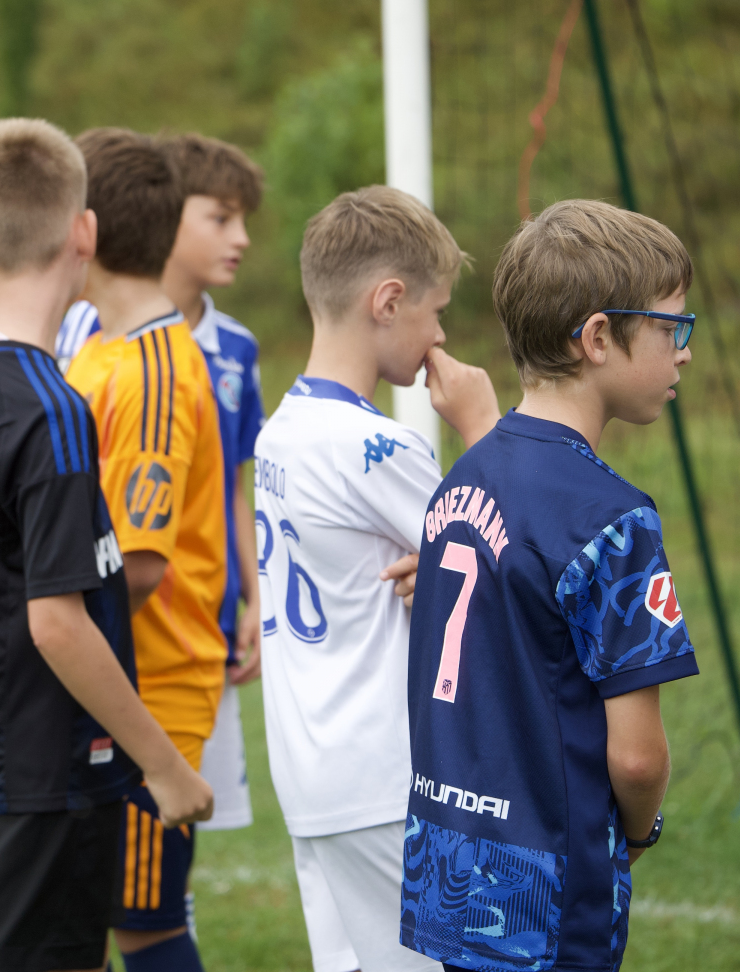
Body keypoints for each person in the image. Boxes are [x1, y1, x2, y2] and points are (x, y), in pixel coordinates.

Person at [0, 118, 210, 972]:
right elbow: (57, 621)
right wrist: (162, 766)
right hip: (49, 760)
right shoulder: (51, 411)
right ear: (84, 233)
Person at [401, 199, 700, 971]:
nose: (684, 353)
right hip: (545, 887)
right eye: (673, 329)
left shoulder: (461, 481)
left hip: (445, 858)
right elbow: (638, 760)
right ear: (598, 337)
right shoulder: (613, 519)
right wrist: (639, 832)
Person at [254, 186, 499, 972]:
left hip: (312, 771)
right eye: (437, 311)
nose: (441, 335)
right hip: (386, 777)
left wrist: (449, 563)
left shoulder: (279, 432)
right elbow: (515, 565)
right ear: (389, 301)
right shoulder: (377, 448)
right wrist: (483, 428)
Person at [58, 132, 268, 835]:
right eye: (221, 217)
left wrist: (254, 591)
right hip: (112, 657)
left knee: (153, 881)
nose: (241, 238)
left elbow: (219, 491)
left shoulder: (190, 360)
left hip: (160, 659)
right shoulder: (89, 340)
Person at [62, 128, 228, 972]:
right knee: (80, 921)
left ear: (80, 231)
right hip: (101, 678)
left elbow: (139, 565)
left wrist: (44, 628)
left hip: (147, 688)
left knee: (145, 923)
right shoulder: (101, 348)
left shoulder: (155, 372)